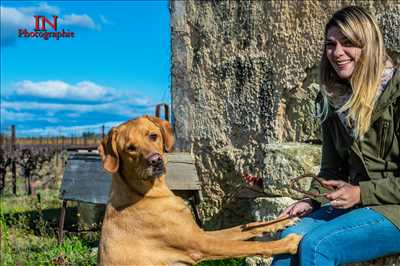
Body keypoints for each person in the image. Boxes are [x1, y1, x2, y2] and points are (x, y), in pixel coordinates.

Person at [271, 6, 400, 266]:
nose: (337, 53)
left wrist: (362, 193)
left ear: (369, 45)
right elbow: (332, 169)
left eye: (348, 43)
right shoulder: (332, 98)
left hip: (393, 206)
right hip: (362, 204)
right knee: (289, 239)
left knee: (319, 246)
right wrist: (310, 200)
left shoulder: (396, 93)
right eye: (330, 44)